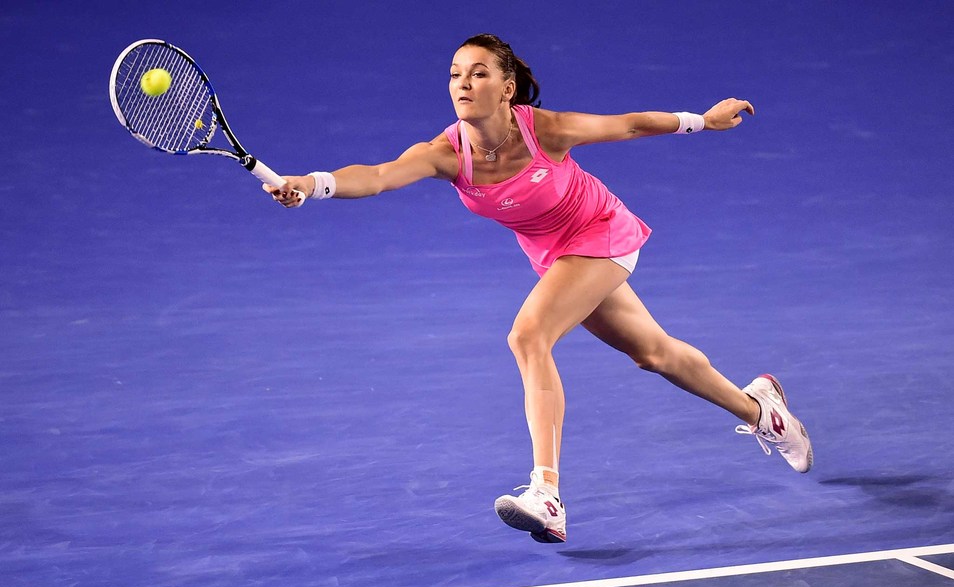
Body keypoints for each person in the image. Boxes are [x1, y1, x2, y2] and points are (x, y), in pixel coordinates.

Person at [265, 33, 813, 544]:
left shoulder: (543, 129)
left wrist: (702, 121)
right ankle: (764, 412)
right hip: (556, 256)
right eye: (456, 73)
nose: (462, 83)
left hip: (600, 231)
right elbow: (378, 175)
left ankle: (546, 493)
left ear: (506, 88)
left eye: (478, 74)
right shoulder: (445, 154)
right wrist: (310, 186)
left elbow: (626, 125)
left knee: (529, 336)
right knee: (654, 353)